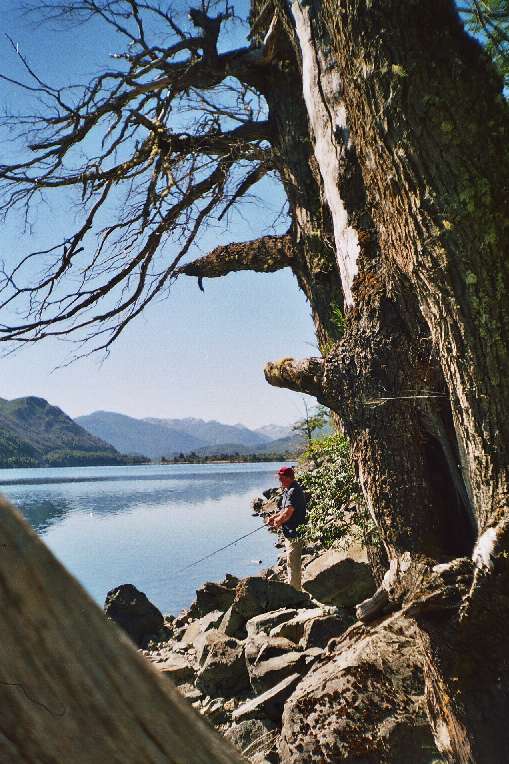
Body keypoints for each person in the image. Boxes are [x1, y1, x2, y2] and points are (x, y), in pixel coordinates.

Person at [267, 466, 307, 591]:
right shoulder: (288, 490)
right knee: (290, 561)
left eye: (281, 477)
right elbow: (284, 510)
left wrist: (278, 522)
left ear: (289, 478)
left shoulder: (293, 491)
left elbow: (288, 512)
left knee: (293, 563)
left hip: (295, 532)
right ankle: (293, 588)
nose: (279, 480)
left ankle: (296, 593)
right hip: (290, 532)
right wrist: (274, 517)